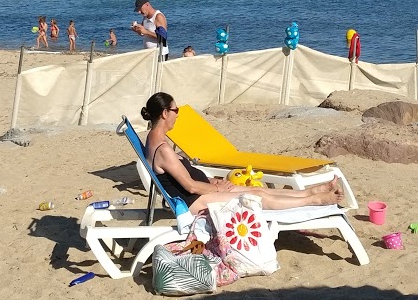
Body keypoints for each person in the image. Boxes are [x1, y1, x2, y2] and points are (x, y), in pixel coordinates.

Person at [140, 92, 342, 214]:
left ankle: (309, 192)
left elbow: (185, 179)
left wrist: (214, 182)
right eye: (176, 111)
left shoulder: (153, 140)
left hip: (203, 192)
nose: (177, 115)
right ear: (165, 113)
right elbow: (191, 187)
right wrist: (217, 189)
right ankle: (315, 200)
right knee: (256, 198)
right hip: (195, 202)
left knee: (259, 190)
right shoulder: (163, 150)